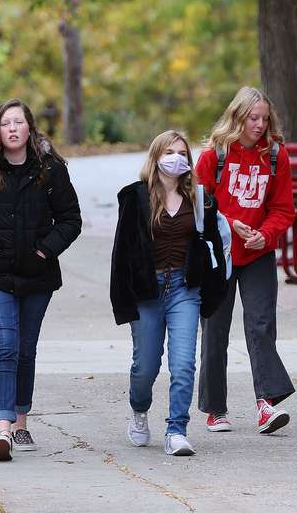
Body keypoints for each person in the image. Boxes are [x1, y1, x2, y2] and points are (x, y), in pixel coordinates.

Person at [0, 98, 82, 462]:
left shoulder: (49, 168)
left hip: (37, 277)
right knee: (4, 347)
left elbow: (71, 219)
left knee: (25, 349)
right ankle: (3, 429)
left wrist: (44, 252)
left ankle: (22, 421)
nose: (12, 128)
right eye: (6, 123)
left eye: (18, 122)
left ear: (29, 128)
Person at [110, 130, 230, 456]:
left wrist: (213, 290)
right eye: (169, 152)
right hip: (147, 290)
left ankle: (176, 429)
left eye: (181, 152)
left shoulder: (199, 199)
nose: (176, 158)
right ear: (155, 157)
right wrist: (122, 300)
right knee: (145, 367)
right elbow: (122, 252)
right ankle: (139, 409)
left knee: (184, 364)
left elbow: (213, 247)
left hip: (184, 289)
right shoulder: (135, 197)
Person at [195, 86, 297, 434]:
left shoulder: (276, 155)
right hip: (220, 253)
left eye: (265, 118)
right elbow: (198, 205)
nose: (259, 124)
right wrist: (227, 223)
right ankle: (215, 409)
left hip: (258, 252)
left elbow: (283, 209)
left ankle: (266, 405)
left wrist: (265, 235)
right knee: (215, 330)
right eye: (253, 118)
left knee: (261, 325)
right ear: (237, 117)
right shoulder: (214, 156)